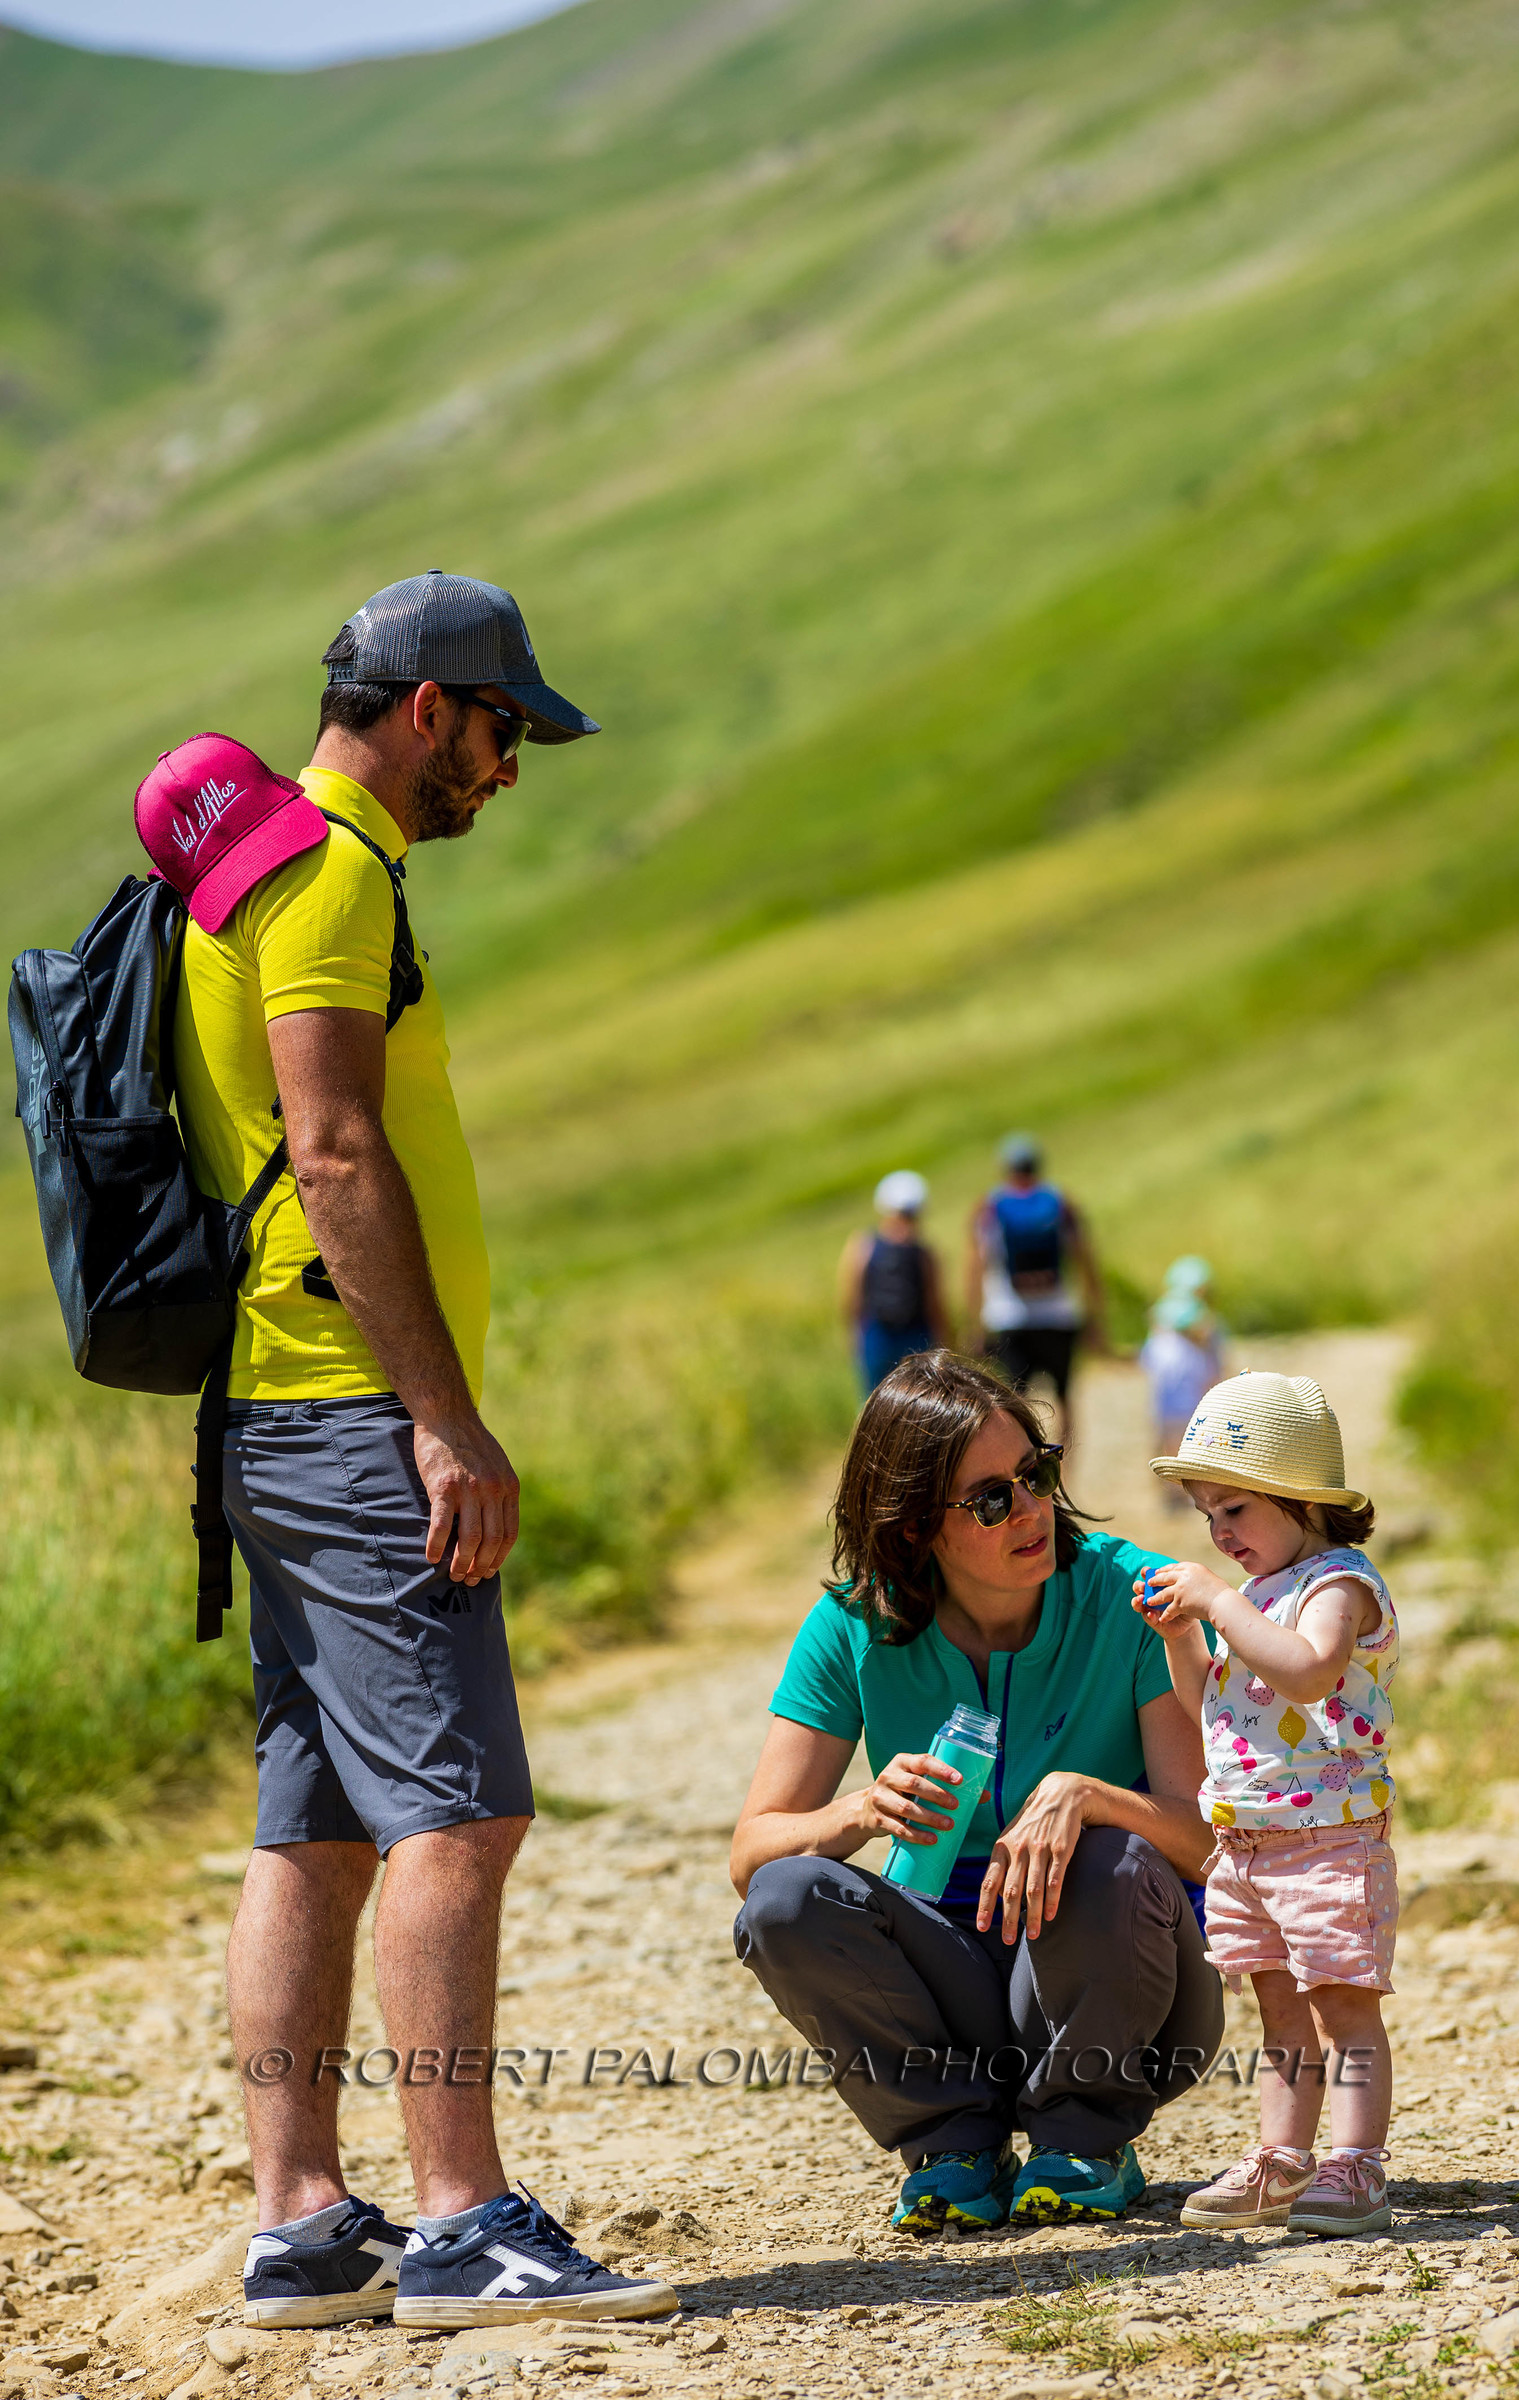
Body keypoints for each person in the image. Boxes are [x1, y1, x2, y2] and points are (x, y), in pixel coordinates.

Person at [172, 572, 675, 2329]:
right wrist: (444, 1423)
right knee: (463, 1808)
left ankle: (305, 2221)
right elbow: (334, 1153)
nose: (512, 764)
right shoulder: (326, 878)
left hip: (283, 1409)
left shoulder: (271, 866)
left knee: (312, 1830)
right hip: (349, 1412)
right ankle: (464, 2220)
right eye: (505, 726)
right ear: (425, 708)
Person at [731, 1350, 1223, 2236]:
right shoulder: (851, 1625)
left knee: (1109, 1850)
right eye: (992, 1499)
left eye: (1034, 1473)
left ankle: (1087, 2138)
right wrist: (856, 1812)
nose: (1031, 1510)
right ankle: (954, 2144)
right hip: (949, 1976)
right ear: (915, 1525)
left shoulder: (1133, 1596)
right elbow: (751, 1856)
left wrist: (1094, 1796)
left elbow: (1210, 1841)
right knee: (787, 1898)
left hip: (1132, 1986)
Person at [1132, 1370, 1397, 2236]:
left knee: (1341, 2002)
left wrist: (1212, 1597)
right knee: (1278, 2007)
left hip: (1327, 1839)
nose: (1218, 1533)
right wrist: (1185, 1636)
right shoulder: (1254, 1599)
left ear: (1299, 1498)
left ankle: (1355, 2162)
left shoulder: (1338, 1587)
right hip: (1248, 1841)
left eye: (1234, 1509)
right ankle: (1282, 2157)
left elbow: (1312, 1669)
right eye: (1207, 1514)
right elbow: (1207, 1700)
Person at [966, 1135, 1105, 1443]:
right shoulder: (1061, 1203)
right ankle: (1065, 1472)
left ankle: (1027, 1467)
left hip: (1009, 1317)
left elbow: (976, 1269)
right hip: (1059, 1315)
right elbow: (1086, 1263)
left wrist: (975, 1327)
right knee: (1066, 1397)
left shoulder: (989, 1207)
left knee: (1015, 1403)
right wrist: (1095, 1318)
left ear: (1005, 1167)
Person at [838, 1171, 951, 1394]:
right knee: (922, 1400)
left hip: (876, 1335)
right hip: (917, 1336)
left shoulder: (864, 1245)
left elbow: (853, 1296)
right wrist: (944, 1341)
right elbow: (934, 1302)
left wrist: (853, 1335)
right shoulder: (923, 1252)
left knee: (873, 1400)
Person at [1140, 1290, 1226, 1511]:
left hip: (1162, 1411)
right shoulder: (1195, 1351)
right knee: (1191, 1451)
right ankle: (1187, 1492)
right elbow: (1209, 1379)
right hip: (1190, 1410)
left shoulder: (1159, 1344)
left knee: (1166, 1450)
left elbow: (1148, 1367)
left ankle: (1170, 1492)